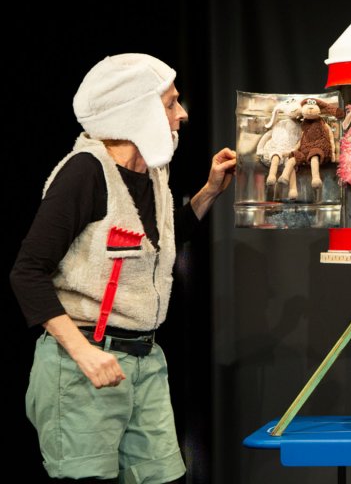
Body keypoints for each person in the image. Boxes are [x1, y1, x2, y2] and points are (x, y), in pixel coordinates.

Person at [9, 53, 237, 483]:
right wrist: (84, 352)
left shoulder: (153, 174)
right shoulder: (85, 173)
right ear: (137, 110)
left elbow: (157, 243)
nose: (182, 114)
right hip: (83, 365)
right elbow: (27, 272)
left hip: (145, 362)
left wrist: (208, 192)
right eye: (170, 103)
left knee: (164, 477)